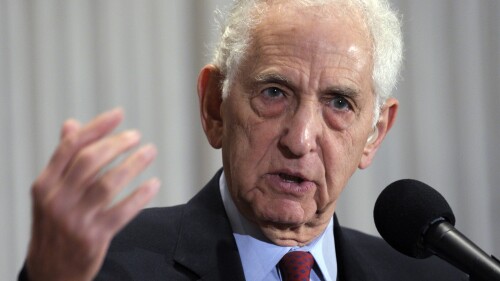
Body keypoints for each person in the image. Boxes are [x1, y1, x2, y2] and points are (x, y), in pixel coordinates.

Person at [19, 0, 467, 280]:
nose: (300, 139)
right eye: (274, 93)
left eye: (339, 103)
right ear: (215, 107)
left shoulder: (435, 275)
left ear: (374, 134)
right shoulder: (104, 266)